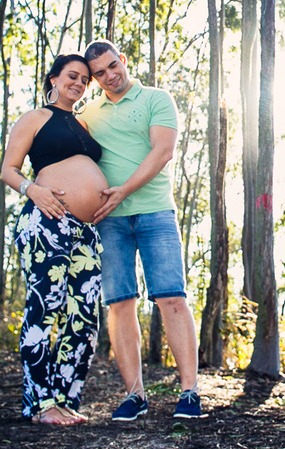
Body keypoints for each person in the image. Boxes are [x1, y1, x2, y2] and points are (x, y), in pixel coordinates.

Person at [78, 39, 203, 421]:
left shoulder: (156, 98)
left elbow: (162, 152)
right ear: (93, 78)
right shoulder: (88, 113)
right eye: (99, 73)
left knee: (172, 299)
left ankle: (190, 393)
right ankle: (134, 395)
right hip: (108, 221)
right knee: (119, 304)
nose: (109, 76)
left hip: (155, 214)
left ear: (124, 60)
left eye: (113, 66)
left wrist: (123, 193)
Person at [0, 54, 109, 426]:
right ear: (54, 79)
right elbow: (8, 170)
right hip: (48, 221)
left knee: (84, 317)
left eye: (84, 80)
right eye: (72, 76)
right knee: (44, 309)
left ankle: (65, 399)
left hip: (85, 232)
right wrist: (34, 191)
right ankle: (40, 403)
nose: (79, 83)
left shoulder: (83, 123)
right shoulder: (36, 118)